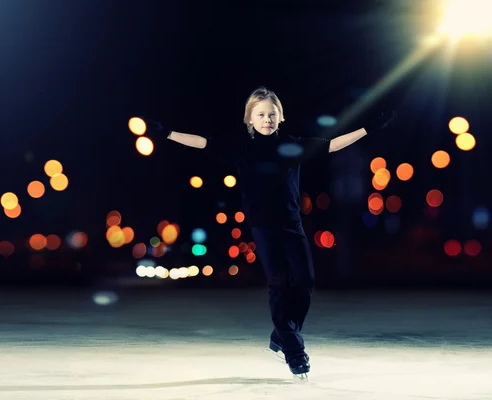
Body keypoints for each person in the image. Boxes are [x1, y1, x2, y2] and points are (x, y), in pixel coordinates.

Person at [144, 87, 395, 378]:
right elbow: (203, 143)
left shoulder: (292, 145)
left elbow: (332, 145)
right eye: (261, 114)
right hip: (263, 226)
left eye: (272, 114)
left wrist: (370, 127)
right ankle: (294, 351)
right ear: (250, 119)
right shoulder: (240, 147)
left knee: (305, 281)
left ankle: (282, 334)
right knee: (278, 282)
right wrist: (167, 133)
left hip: (292, 224)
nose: (267, 119)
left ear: (280, 117)